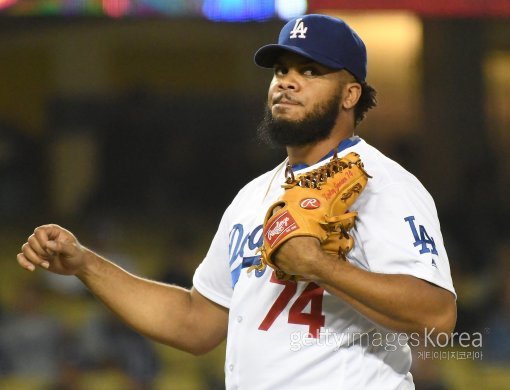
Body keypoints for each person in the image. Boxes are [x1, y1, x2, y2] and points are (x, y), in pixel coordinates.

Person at [17, 14, 457, 389]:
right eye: (281, 69)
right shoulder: (253, 197)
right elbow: (196, 322)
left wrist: (321, 266)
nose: (286, 81)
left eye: (310, 71)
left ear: (350, 94)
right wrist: (84, 265)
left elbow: (437, 316)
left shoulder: (382, 183)